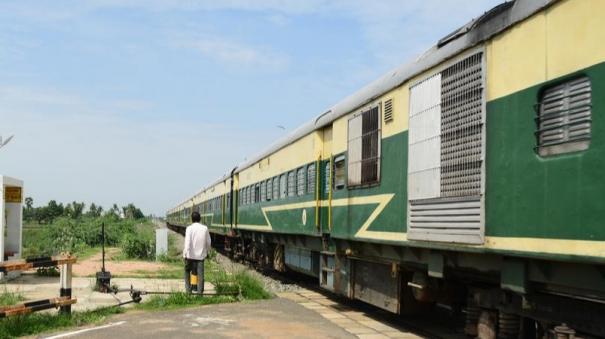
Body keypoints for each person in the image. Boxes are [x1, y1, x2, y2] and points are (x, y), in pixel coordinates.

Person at [183, 211, 211, 294]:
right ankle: (200, 293)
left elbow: (187, 242)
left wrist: (185, 254)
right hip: (200, 256)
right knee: (200, 274)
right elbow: (208, 242)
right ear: (200, 219)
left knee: (187, 271)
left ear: (191, 219)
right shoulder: (205, 228)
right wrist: (207, 251)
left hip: (190, 256)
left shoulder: (189, 228)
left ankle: (188, 291)